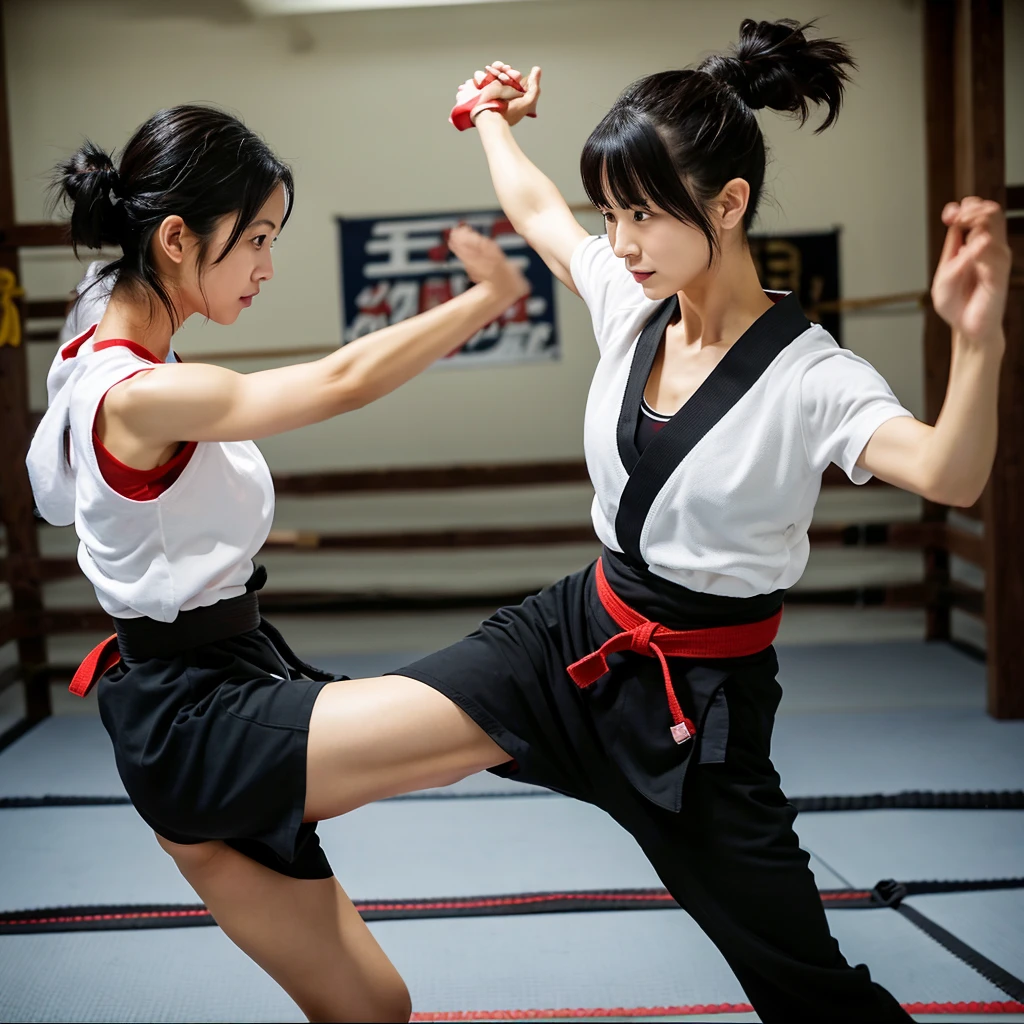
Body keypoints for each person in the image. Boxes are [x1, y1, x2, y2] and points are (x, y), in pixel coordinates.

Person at [296, 19, 1007, 1023]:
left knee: (810, 993)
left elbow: (950, 471)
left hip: (699, 709)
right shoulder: (632, 303)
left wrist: (977, 342)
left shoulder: (813, 379)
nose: (619, 243)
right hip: (572, 639)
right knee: (297, 753)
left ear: (728, 203)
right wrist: (489, 117)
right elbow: (539, 209)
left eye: (643, 216)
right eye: (612, 213)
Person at [27, 104, 527, 1023]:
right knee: (515, 688)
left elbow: (115, 278)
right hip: (198, 716)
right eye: (255, 239)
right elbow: (337, 383)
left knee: (374, 1007)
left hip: (195, 697)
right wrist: (485, 301)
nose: (265, 267)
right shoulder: (140, 398)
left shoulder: (99, 320)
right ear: (177, 239)